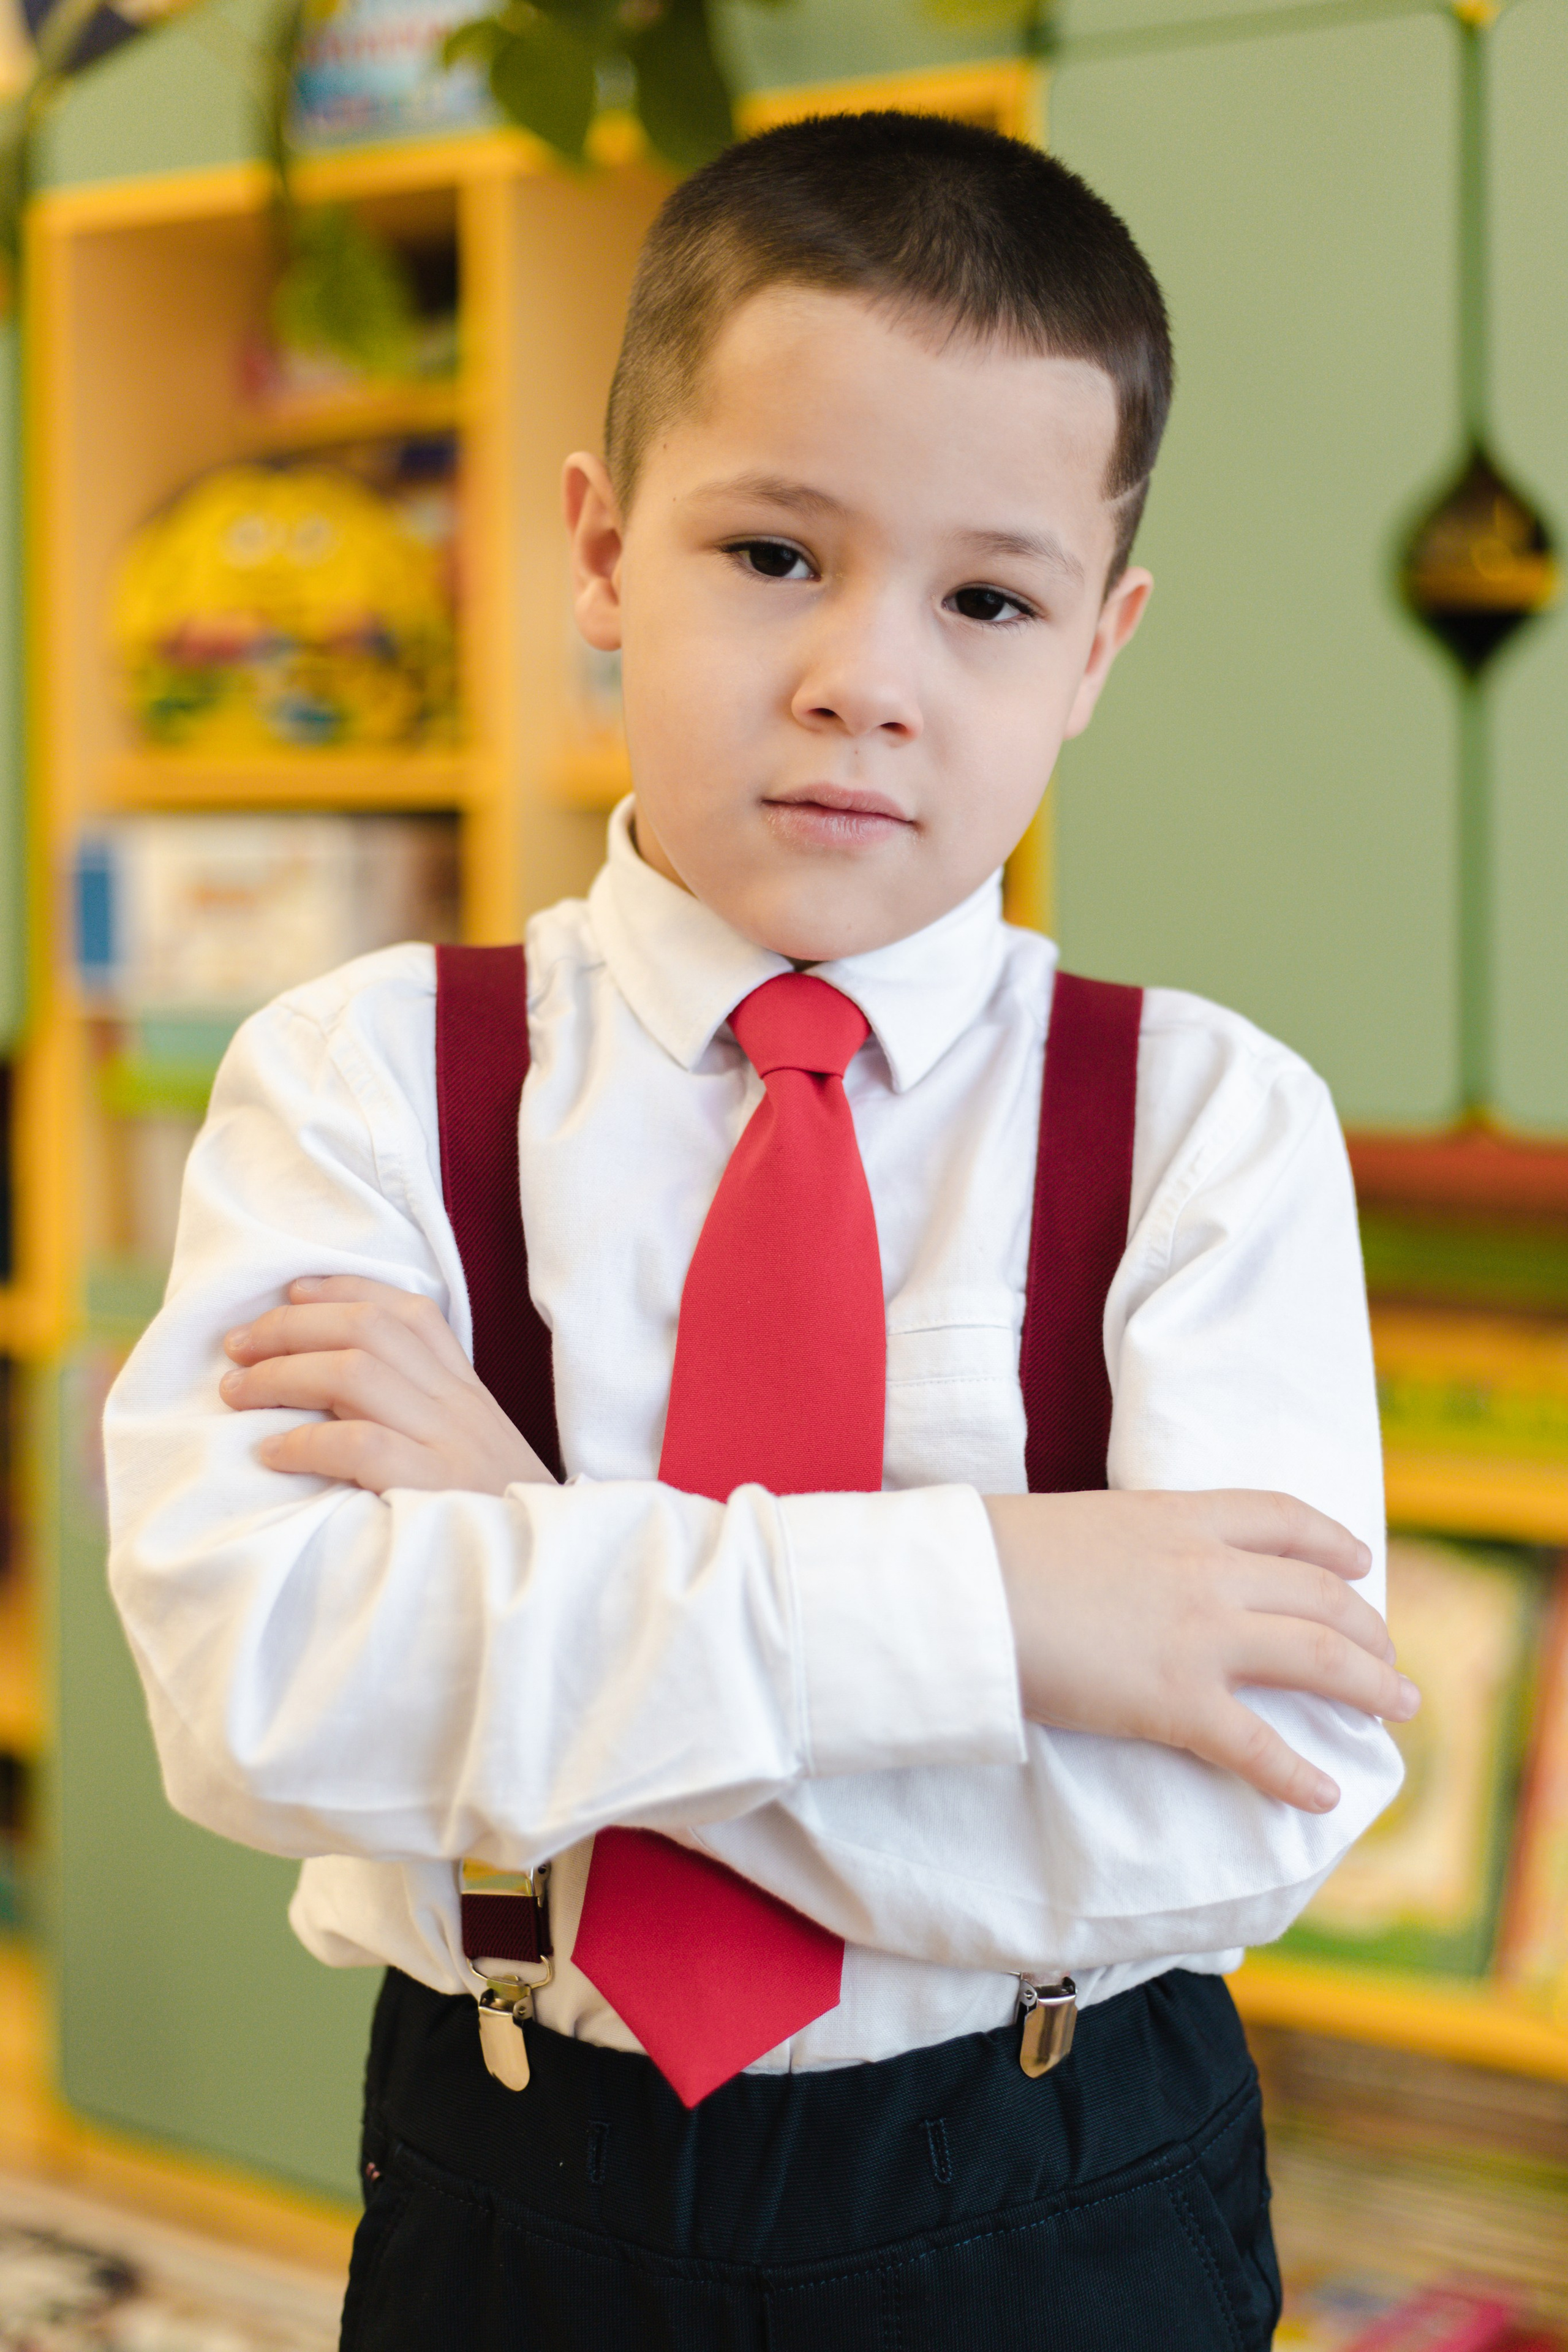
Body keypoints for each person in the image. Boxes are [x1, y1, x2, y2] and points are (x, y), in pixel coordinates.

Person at [105, 111, 1413, 2351]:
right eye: (776, 556)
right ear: (606, 552)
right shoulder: (355, 1078)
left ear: (1097, 649)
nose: (865, 680)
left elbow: (1242, 1822)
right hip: (521, 2181)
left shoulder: (1211, 1124)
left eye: (986, 599)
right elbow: (265, 1696)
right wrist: (1009, 1607)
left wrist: (532, 1547)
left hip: (1062, 2183)